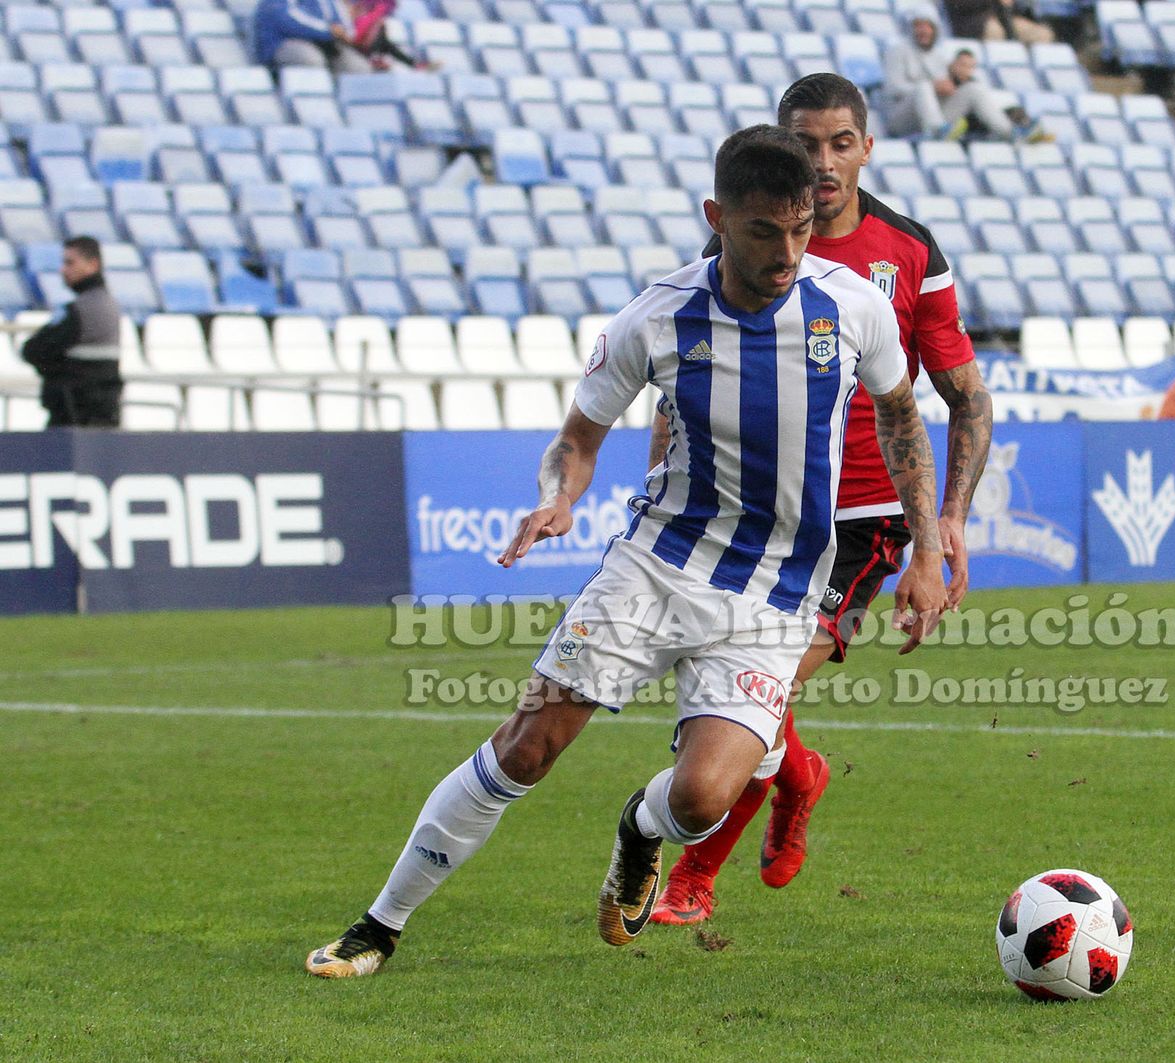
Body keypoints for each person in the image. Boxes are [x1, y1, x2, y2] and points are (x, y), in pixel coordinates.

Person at [303, 125, 949, 977]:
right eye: (765, 231)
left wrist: (928, 549)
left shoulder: (852, 306)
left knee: (702, 800)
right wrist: (557, 496)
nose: (788, 252)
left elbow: (902, 419)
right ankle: (379, 925)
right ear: (717, 217)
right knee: (525, 746)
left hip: (775, 595)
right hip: (654, 567)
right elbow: (578, 439)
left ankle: (640, 828)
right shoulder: (655, 316)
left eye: (800, 229)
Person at [649, 74, 994, 926]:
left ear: (867, 147)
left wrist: (943, 526)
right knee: (731, 683)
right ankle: (800, 775)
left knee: (759, 690)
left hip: (859, 521)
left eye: (842, 143)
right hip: (752, 516)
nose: (825, 162)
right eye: (806, 144)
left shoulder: (908, 252)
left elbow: (966, 397)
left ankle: (695, 874)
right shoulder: (741, 245)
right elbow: (682, 389)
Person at [883, 6, 1050, 141]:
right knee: (924, 87)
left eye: (928, 26)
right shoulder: (898, 51)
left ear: (935, 29)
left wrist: (950, 86)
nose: (924, 31)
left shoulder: (939, 56)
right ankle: (936, 130)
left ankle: (1010, 133)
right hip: (902, 117)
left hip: (934, 115)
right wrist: (932, 87)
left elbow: (943, 88)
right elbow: (893, 89)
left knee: (973, 89)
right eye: (918, 25)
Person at [19, 237, 122, 429]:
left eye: (70, 263)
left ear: (93, 265)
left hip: (74, 416)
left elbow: (33, 350)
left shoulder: (82, 310)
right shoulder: (107, 304)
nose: (63, 270)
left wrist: (54, 370)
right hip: (99, 416)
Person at [252, 0, 367, 73]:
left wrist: (345, 33)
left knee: (358, 67)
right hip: (283, 42)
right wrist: (328, 30)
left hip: (322, 42)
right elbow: (288, 21)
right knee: (311, 59)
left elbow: (342, 22)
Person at [345, 0, 439, 71]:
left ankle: (415, 64)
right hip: (360, 40)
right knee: (384, 38)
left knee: (387, 43)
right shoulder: (366, 14)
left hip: (368, 39)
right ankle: (376, 57)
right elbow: (358, 38)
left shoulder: (376, 12)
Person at [943, 0, 1054, 45]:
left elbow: (1013, 8)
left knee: (1042, 33)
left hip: (1004, 20)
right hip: (974, 22)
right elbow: (959, 5)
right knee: (995, 31)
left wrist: (1010, 5)